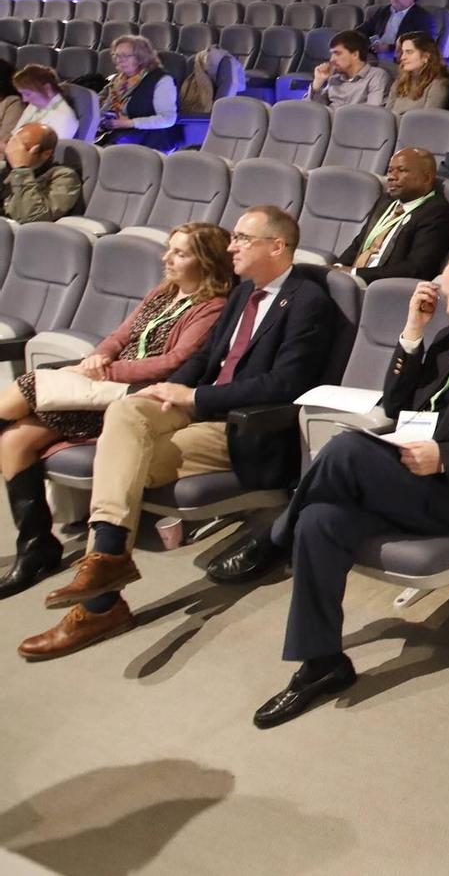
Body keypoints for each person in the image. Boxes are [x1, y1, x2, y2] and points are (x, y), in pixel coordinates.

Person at [231, 250, 449, 728]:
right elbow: (395, 405)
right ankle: (321, 664)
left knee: (347, 451)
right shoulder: (445, 340)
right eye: (446, 297)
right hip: (416, 481)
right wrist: (413, 332)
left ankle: (272, 541)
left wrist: (448, 456)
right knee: (319, 521)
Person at [17, 206, 334, 661]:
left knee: (121, 458)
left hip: (239, 427)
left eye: (243, 238)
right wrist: (172, 387)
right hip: (195, 408)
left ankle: (100, 601)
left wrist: (195, 399)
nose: (231, 247)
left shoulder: (307, 302)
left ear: (277, 246)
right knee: (127, 413)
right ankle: (107, 561)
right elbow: (204, 360)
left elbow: (285, 385)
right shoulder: (244, 293)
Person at [0, 224, 232, 599]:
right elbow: (120, 335)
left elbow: (173, 363)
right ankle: (36, 548)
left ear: (206, 262)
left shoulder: (213, 307)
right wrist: (100, 354)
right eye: (169, 249)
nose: (166, 258)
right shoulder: (164, 292)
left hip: (135, 394)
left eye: (180, 253)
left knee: (28, 385)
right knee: (14, 441)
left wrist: (107, 370)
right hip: (100, 383)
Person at [333, 148, 449, 284]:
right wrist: (337, 267)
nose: (392, 176)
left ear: (427, 177)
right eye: (390, 170)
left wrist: (354, 273)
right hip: (353, 281)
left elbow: (416, 269)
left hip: (384, 286)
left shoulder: (436, 213)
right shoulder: (385, 202)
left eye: (402, 170)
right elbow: (360, 243)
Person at [96, 34, 179, 149]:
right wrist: (113, 95)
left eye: (126, 56)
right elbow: (100, 113)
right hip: (120, 136)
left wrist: (128, 123)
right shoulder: (118, 79)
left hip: (153, 141)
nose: (119, 60)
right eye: (116, 56)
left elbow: (168, 119)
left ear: (141, 57)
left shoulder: (162, 80)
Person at [2, 123, 81, 224]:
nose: (14, 152)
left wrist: (21, 169)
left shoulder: (64, 177)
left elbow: (32, 218)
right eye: (14, 144)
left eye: (23, 147)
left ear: (46, 154)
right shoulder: (4, 169)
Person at [308, 30, 389, 109]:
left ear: (355, 55)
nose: (332, 59)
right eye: (332, 54)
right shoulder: (334, 79)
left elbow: (373, 113)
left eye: (337, 53)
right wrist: (317, 83)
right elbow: (311, 111)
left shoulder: (376, 76)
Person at [387, 32, 449, 116]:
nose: (402, 57)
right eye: (402, 52)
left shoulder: (437, 85)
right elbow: (387, 115)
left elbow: (427, 120)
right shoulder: (399, 82)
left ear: (426, 56)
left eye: (409, 52)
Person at [366, 0, 437, 51]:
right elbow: (364, 29)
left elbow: (424, 44)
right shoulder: (383, 11)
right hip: (374, 53)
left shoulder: (423, 17)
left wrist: (389, 48)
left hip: (399, 56)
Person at [10, 66, 77, 141]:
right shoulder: (34, 105)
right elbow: (14, 135)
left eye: (28, 94)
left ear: (47, 89)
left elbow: (51, 152)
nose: (24, 99)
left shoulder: (64, 118)